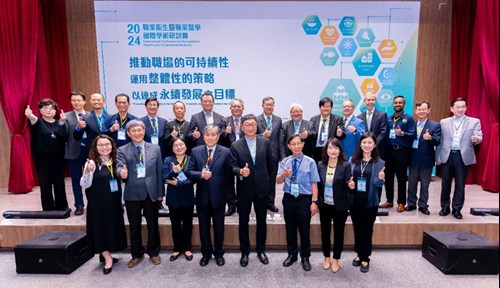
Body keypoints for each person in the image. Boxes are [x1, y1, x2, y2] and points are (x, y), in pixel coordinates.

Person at [117, 120, 164, 268]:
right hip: (132, 193)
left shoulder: (155, 148)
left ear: (144, 131)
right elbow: (119, 167)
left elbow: (159, 171)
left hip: (151, 193)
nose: (137, 133)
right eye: (134, 131)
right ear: (129, 133)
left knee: (153, 225)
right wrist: (121, 173)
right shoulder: (122, 150)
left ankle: (154, 252)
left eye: (140, 130)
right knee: (134, 226)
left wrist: (160, 193)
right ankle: (137, 254)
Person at [229, 114, 273, 267]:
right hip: (244, 189)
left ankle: (261, 250)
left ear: (257, 126)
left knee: (262, 221)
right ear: (242, 127)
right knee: (243, 222)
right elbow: (232, 167)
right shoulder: (236, 145)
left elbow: (271, 165)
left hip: (262, 188)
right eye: (247, 125)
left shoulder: (265, 142)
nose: (250, 127)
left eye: (253, 124)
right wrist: (241, 171)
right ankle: (245, 252)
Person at [80, 135, 127, 275]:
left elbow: (121, 184)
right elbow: (84, 184)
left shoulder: (116, 161)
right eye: (101, 145)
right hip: (98, 204)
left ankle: (106, 253)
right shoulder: (92, 163)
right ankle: (107, 259)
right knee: (100, 230)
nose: (104, 147)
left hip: (113, 203)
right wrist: (87, 172)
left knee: (111, 228)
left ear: (112, 146)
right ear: (95, 147)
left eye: (107, 144)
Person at [187, 124, 231, 267]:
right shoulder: (195, 151)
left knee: (219, 228)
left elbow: (229, 176)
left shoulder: (226, 152)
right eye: (208, 135)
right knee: (203, 228)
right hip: (202, 198)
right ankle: (206, 253)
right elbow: (189, 172)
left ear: (218, 137)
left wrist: (229, 196)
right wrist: (200, 175)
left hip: (219, 197)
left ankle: (219, 253)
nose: (210, 137)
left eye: (213, 135)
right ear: (203, 136)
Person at [277, 134, 320, 271]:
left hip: (304, 199)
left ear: (302, 144)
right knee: (290, 228)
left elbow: (314, 183)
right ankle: (292, 254)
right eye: (293, 144)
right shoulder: (284, 162)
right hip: (289, 198)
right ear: (289, 146)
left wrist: (314, 202)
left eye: (298, 143)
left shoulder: (310, 162)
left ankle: (305, 256)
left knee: (304, 229)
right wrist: (284, 174)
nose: (296, 146)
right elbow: (278, 181)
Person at [435, 98, 482, 220]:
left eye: (463, 107)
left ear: (466, 108)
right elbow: (440, 141)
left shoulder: (474, 121)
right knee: (445, 184)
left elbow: (479, 135)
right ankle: (445, 207)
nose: (460, 109)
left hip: (462, 156)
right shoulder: (444, 122)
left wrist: (476, 139)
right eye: (458, 107)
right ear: (452, 109)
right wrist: (438, 157)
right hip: (447, 155)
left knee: (460, 184)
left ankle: (457, 209)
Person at [349, 132, 385, 273]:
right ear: (360, 144)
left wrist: (381, 178)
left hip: (370, 202)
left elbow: (377, 184)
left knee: (367, 229)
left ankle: (365, 257)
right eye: (364, 142)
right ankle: (358, 253)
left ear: (374, 145)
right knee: (357, 229)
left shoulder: (380, 163)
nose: (367, 145)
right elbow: (349, 178)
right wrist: (350, 183)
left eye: (370, 142)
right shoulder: (353, 160)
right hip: (355, 201)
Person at [317, 138, 355, 273]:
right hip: (325, 205)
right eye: (330, 148)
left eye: (336, 148)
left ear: (340, 150)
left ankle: (336, 259)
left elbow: (349, 182)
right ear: (326, 150)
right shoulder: (320, 164)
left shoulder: (345, 165)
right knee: (325, 232)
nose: (333, 151)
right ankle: (326, 257)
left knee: (339, 233)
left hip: (340, 205)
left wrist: (351, 185)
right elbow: (317, 184)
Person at [25, 99, 69, 211]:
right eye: (45, 108)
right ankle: (48, 208)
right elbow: (32, 118)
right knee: (45, 184)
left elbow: (64, 136)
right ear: (40, 110)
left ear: (55, 111)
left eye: (52, 108)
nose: (49, 110)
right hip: (43, 158)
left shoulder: (60, 122)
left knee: (59, 183)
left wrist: (63, 122)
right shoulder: (38, 122)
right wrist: (29, 115)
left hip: (59, 157)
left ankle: (62, 206)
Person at [380, 95, 416, 212]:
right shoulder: (388, 118)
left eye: (400, 102)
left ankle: (401, 202)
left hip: (402, 151)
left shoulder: (409, 118)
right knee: (388, 177)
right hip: (389, 151)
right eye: (395, 103)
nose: (397, 104)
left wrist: (403, 134)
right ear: (393, 104)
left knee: (401, 178)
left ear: (404, 104)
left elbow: (413, 134)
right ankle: (389, 200)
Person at [161, 137, 195, 262]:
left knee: (187, 224)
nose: (179, 147)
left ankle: (187, 248)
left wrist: (179, 181)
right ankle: (176, 248)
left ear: (186, 147)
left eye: (181, 145)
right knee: (175, 225)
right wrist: (172, 172)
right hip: (173, 198)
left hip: (187, 196)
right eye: (176, 145)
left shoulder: (191, 159)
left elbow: (194, 178)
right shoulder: (168, 160)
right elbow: (164, 177)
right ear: (172, 148)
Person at [406, 101, 441, 215]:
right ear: (416, 111)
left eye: (424, 109)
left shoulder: (435, 125)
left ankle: (423, 205)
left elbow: (437, 140)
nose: (421, 111)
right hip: (413, 158)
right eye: (419, 109)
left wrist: (430, 137)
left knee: (425, 184)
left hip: (426, 159)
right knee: (411, 183)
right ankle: (411, 204)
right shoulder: (412, 124)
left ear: (428, 110)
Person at [64, 92, 89, 216]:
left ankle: (93, 203)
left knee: (91, 179)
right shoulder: (66, 116)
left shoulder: (91, 115)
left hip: (89, 152)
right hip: (73, 151)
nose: (76, 102)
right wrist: (61, 122)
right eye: (74, 100)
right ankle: (79, 205)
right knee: (76, 180)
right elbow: (63, 133)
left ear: (84, 101)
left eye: (79, 100)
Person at [256, 96, 282, 212]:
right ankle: (261, 203)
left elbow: (280, 139)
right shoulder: (256, 119)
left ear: (274, 105)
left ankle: (270, 203)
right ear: (262, 106)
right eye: (267, 104)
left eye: (271, 104)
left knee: (272, 181)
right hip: (260, 155)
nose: (269, 106)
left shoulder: (278, 119)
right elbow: (251, 136)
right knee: (261, 181)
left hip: (274, 155)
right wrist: (262, 135)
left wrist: (281, 156)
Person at [221, 99, 245, 216]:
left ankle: (241, 204)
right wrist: (225, 132)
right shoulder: (224, 120)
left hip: (243, 155)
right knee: (229, 182)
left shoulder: (246, 121)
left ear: (242, 108)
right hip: (229, 155)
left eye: (239, 107)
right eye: (234, 107)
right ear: (230, 108)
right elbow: (219, 137)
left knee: (243, 181)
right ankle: (231, 206)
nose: (236, 108)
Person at [310, 98, 345, 162]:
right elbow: (312, 134)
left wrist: (340, 133)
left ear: (331, 108)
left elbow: (343, 134)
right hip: (316, 151)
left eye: (328, 106)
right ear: (320, 107)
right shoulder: (313, 119)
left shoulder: (338, 119)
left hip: (331, 150)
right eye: (324, 106)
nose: (326, 108)